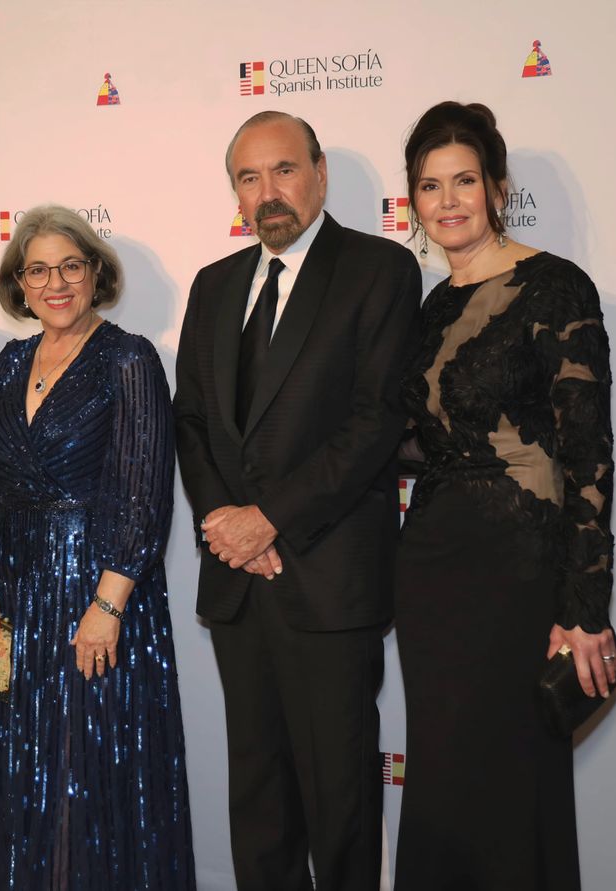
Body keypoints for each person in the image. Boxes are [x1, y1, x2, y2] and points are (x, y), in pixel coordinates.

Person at [173, 111, 421, 891]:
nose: (268, 192)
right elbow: (192, 420)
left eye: (283, 170)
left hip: (327, 573)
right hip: (239, 581)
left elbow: (377, 418)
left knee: (340, 796)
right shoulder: (215, 284)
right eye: (249, 177)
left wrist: (269, 519)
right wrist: (225, 524)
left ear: (320, 172)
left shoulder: (379, 269)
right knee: (259, 794)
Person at [393, 101, 616, 891]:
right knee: (445, 779)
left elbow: (588, 454)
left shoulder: (556, 286)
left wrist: (586, 605)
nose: (448, 201)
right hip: (430, 573)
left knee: (512, 778)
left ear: (495, 187)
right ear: (413, 202)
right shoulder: (429, 308)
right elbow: (421, 440)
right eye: (429, 186)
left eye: (464, 181)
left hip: (520, 568)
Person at [0, 205, 194, 889]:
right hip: (19, 595)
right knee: (25, 766)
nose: (55, 282)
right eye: (38, 269)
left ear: (95, 273)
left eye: (71, 265)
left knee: (92, 769)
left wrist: (108, 606)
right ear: (20, 285)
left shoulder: (129, 358)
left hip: (101, 591)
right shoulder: (7, 362)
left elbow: (144, 492)